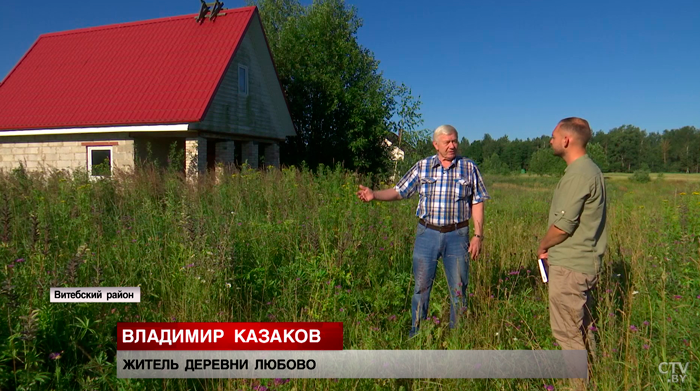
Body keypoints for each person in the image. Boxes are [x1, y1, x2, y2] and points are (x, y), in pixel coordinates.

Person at [357, 125, 489, 337]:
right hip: (426, 235)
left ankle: (458, 337)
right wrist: (374, 194)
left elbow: (478, 201)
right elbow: (400, 191)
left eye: (454, 141)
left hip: (458, 236)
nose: (452, 146)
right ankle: (416, 334)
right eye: (447, 142)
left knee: (459, 289)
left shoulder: (469, 168)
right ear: (436, 144)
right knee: (421, 288)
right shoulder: (423, 166)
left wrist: (478, 235)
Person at [537, 117, 607, 358]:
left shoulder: (579, 174)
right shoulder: (588, 170)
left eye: (554, 137)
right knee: (582, 328)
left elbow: (563, 226)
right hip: (582, 263)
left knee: (567, 333)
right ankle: (593, 377)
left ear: (566, 140)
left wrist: (542, 245)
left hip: (570, 267)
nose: (551, 140)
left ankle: (577, 384)